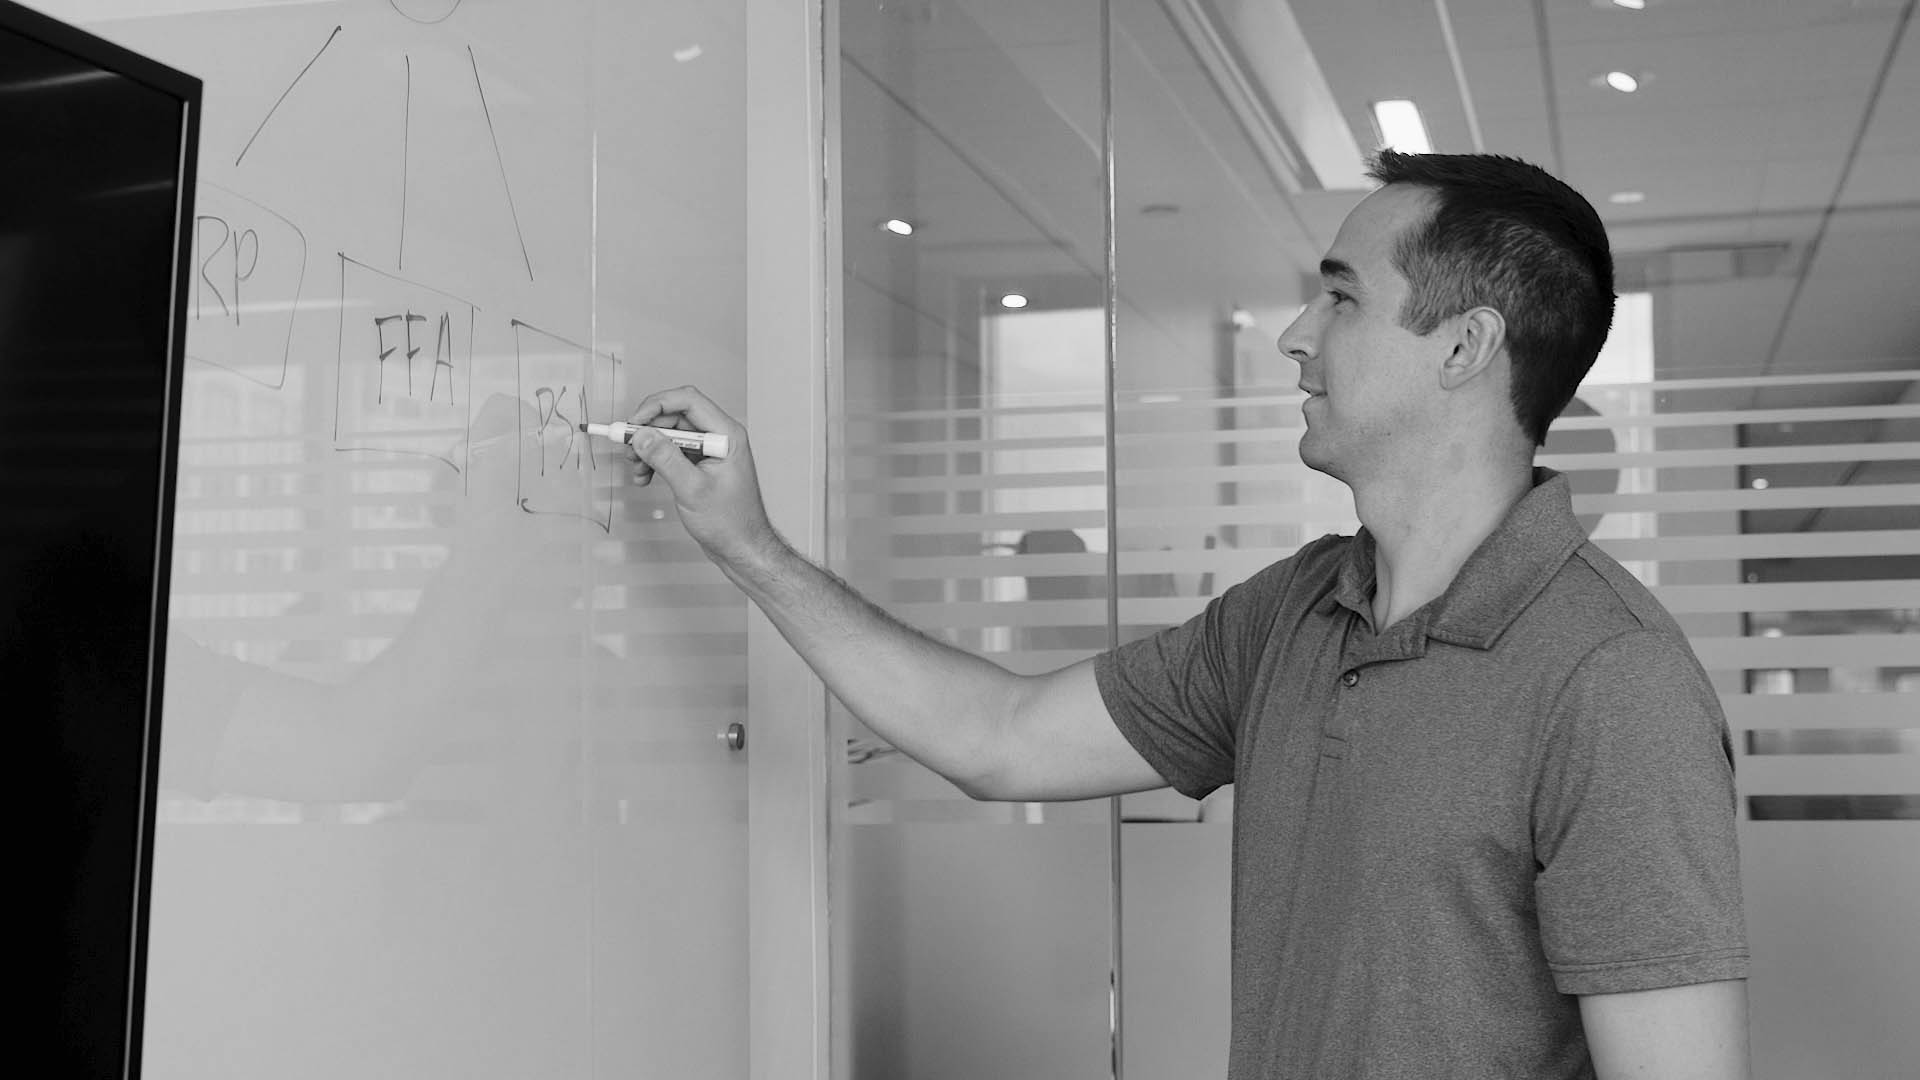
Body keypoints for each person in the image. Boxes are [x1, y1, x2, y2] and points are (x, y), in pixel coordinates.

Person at [621, 150, 1750, 1079]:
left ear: (1464, 348)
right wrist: (747, 545)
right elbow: (999, 742)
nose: (1296, 335)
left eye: (1344, 296)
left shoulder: (1612, 680)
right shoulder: (1297, 613)